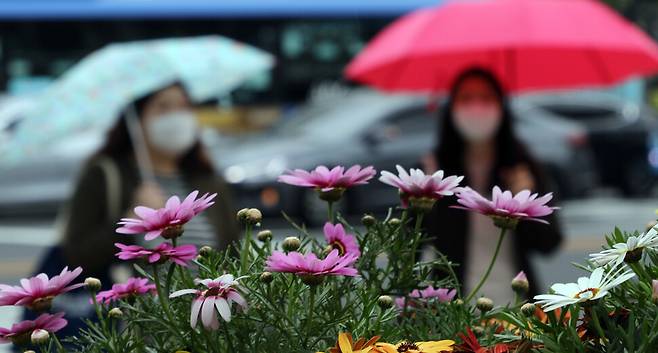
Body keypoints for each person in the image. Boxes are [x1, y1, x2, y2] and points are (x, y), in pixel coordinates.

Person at [423, 68, 563, 302]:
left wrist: (525, 201)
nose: (476, 107)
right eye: (466, 98)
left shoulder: (522, 166)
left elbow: (549, 244)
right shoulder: (433, 169)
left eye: (486, 98)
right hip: (452, 310)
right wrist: (422, 201)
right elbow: (415, 247)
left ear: (501, 106)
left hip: (516, 306)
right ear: (451, 108)